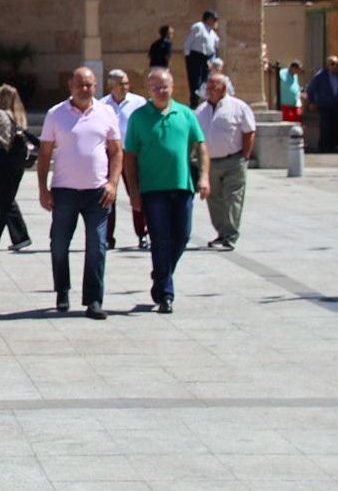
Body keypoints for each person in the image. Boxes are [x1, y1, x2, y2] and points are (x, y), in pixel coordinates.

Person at [36, 67, 122, 319]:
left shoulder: (106, 113)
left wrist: (113, 183)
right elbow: (44, 154)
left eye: (90, 85)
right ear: (70, 85)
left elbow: (116, 151)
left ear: (95, 86)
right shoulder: (56, 114)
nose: (85, 89)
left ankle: (93, 300)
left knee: (98, 245)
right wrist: (43, 188)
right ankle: (62, 288)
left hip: (98, 192)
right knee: (59, 244)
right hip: (65, 191)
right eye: (80, 84)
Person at [123, 69, 210, 314]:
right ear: (148, 90)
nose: (161, 91)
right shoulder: (139, 117)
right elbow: (130, 156)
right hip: (153, 190)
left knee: (182, 236)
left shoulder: (185, 113)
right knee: (160, 240)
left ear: (173, 87)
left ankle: (161, 275)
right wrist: (134, 192)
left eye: (165, 86)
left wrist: (203, 177)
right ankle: (166, 294)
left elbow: (201, 145)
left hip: (182, 186)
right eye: (156, 87)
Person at [195, 74, 256, 251]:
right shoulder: (201, 110)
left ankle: (231, 234)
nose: (210, 90)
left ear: (223, 88)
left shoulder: (238, 107)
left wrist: (245, 156)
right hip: (209, 162)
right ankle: (222, 232)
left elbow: (249, 131)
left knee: (233, 198)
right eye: (208, 86)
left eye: (214, 86)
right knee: (214, 199)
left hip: (233, 160)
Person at [0, 84, 32, 251]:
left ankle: (21, 237)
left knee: (5, 201)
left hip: (0, 161)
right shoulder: (18, 116)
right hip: (16, 162)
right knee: (5, 200)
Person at [100, 69, 149, 252]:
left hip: (131, 153)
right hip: (109, 154)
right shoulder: (102, 105)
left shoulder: (138, 103)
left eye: (127, 83)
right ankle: (107, 237)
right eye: (121, 83)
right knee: (108, 195)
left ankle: (142, 233)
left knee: (136, 193)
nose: (125, 87)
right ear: (111, 85)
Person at [306, 56, 338, 153]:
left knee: (336, 126)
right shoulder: (320, 76)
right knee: (325, 126)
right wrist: (312, 101)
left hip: (336, 105)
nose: (335, 66)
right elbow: (311, 89)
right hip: (325, 105)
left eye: (336, 64)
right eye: (332, 64)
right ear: (327, 65)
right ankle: (323, 146)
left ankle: (333, 145)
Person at [184, 10, 219, 108]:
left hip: (206, 58)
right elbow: (188, 41)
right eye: (214, 19)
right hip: (195, 56)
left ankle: (204, 102)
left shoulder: (211, 31)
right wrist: (188, 56)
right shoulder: (198, 27)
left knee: (205, 80)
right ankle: (194, 103)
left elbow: (215, 44)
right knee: (195, 80)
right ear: (208, 18)